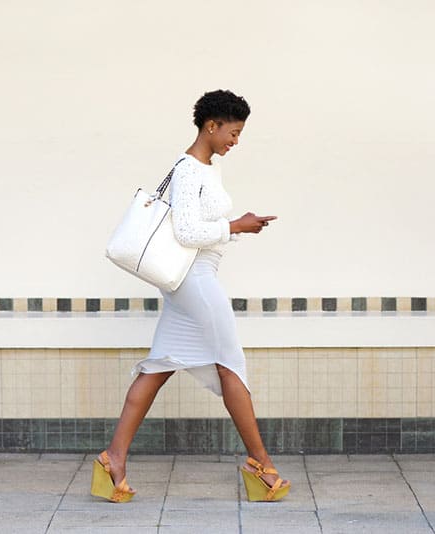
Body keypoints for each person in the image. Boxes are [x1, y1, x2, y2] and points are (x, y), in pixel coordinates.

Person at [91, 89, 290, 503]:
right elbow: (186, 233)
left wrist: (233, 228)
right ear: (210, 126)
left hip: (190, 281)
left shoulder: (206, 169)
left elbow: (199, 228)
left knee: (159, 366)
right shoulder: (188, 169)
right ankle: (261, 464)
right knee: (230, 364)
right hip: (194, 280)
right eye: (232, 133)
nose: (235, 141)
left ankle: (113, 459)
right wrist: (237, 226)